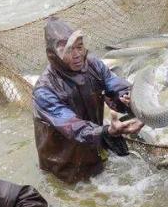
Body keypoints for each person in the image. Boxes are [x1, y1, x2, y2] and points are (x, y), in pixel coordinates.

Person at [32, 17, 143, 183]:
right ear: (54, 55)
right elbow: (73, 127)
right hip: (64, 163)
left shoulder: (93, 64)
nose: (77, 55)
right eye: (69, 50)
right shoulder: (45, 90)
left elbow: (115, 84)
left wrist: (127, 97)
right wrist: (106, 132)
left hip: (94, 144)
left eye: (79, 47)